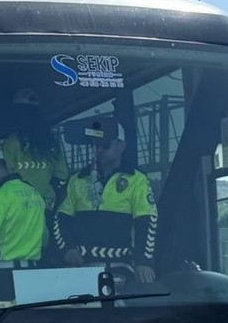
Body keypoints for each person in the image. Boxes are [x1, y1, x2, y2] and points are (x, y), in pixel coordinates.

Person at [52, 119, 160, 282]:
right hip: (79, 267)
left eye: (105, 146)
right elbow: (61, 219)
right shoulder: (77, 179)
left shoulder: (136, 180)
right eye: (94, 146)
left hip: (120, 267)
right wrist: (68, 249)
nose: (98, 150)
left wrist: (144, 262)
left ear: (121, 146)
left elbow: (147, 222)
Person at [0, 88, 69, 210]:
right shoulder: (51, 143)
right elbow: (62, 175)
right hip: (46, 205)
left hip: (18, 206)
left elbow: (3, 177)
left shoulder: (11, 143)